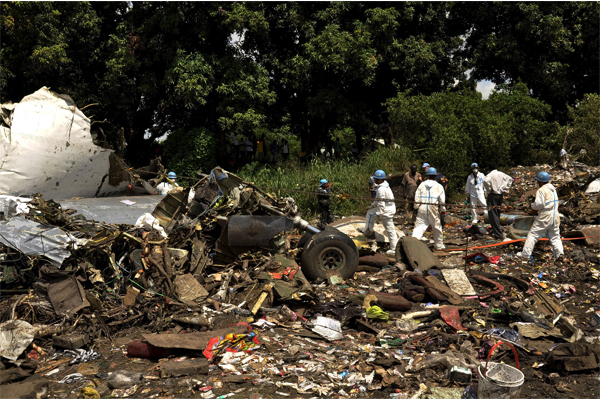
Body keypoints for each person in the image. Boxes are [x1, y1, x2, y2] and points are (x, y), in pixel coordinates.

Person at [516, 172, 564, 261]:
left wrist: (532, 206)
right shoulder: (553, 189)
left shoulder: (541, 190)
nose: (537, 182)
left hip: (545, 215)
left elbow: (539, 205)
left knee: (533, 234)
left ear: (541, 182)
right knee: (555, 236)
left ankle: (525, 254)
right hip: (555, 215)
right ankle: (560, 255)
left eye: (538, 181)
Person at [360, 170, 398, 256]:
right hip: (390, 209)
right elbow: (378, 201)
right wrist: (372, 206)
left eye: (376, 178)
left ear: (379, 179)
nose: (374, 180)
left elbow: (381, 204)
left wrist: (378, 213)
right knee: (390, 229)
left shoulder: (381, 189)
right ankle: (394, 247)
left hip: (386, 210)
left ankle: (368, 230)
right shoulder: (385, 186)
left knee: (370, 214)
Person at [412, 167, 446, 250]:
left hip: (422, 207)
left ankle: (412, 244)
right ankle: (439, 245)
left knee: (419, 227)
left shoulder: (422, 184)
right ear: (435, 175)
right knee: (437, 227)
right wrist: (443, 210)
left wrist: (416, 207)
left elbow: (417, 196)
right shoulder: (439, 186)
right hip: (433, 207)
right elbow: (442, 200)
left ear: (427, 176)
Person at [483, 162, 513, 240]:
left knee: (493, 214)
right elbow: (510, 179)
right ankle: (498, 230)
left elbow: (485, 181)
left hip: (493, 194)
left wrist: (489, 189)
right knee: (497, 212)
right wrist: (505, 188)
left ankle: (498, 234)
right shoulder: (501, 174)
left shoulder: (489, 175)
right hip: (500, 195)